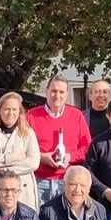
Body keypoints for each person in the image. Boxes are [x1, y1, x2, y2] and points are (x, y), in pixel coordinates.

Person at [28, 73, 92, 205]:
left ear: (67, 94)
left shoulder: (76, 115)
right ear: (46, 92)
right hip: (39, 180)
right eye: (53, 91)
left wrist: (70, 156)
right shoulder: (31, 116)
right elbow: (22, 149)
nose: (57, 95)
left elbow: (87, 147)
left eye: (61, 92)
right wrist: (41, 157)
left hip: (68, 181)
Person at [0, 91, 40, 209]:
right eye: (6, 109)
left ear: (20, 112)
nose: (10, 113)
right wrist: (15, 157)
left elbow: (33, 162)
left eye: (14, 109)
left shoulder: (29, 133)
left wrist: (5, 169)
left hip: (23, 191)